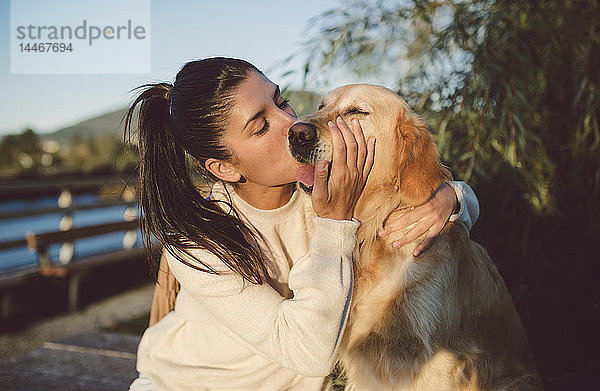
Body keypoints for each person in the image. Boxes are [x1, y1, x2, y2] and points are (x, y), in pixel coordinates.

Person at [125, 57, 479, 391]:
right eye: (262, 127)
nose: (292, 124)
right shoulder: (198, 242)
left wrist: (449, 198)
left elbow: (412, 191)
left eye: (282, 102)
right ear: (226, 168)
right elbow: (309, 352)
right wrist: (334, 222)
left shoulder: (320, 187)